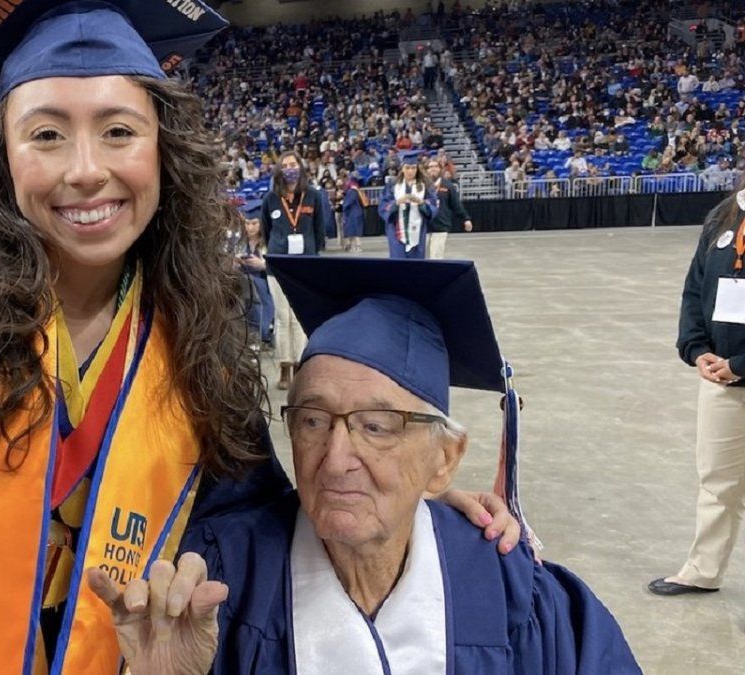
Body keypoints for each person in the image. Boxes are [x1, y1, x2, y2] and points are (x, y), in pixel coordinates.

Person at [0, 4, 515, 673]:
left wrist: (393, 494)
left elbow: (251, 527)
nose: (84, 170)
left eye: (118, 130)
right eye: (46, 133)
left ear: (163, 151)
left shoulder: (195, 331)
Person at [96, 256, 640, 673]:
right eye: (312, 421)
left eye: (377, 427)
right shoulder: (218, 582)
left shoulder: (512, 591)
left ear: (444, 460)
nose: (336, 460)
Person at [650, 181, 745, 596]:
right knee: (717, 479)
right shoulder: (724, 214)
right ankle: (702, 571)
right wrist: (696, 347)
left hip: (736, 368)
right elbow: (695, 286)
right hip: (722, 378)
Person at [260, 151, 330, 389]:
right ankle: (284, 366)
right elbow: (266, 230)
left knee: (299, 318)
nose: (289, 168)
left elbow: (320, 230)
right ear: (279, 170)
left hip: (304, 265)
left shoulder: (313, 196)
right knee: (282, 318)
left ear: (300, 167)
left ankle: (301, 365)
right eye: (285, 165)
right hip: (278, 265)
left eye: (293, 164)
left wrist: (313, 254)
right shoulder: (271, 198)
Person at [379, 154, 438, 259]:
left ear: (417, 169)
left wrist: (421, 203)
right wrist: (397, 203)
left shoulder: (425, 186)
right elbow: (384, 205)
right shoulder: (393, 186)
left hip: (417, 229)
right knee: (398, 262)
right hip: (396, 230)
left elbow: (432, 205)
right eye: (407, 168)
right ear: (402, 168)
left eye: (413, 168)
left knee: (416, 263)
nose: (410, 171)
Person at [234, 200, 273, 350]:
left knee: (254, 285)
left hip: (264, 284)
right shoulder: (238, 242)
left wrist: (263, 265)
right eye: (247, 223)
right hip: (242, 284)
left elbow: (277, 268)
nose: (250, 228)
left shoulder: (269, 242)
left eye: (254, 223)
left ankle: (262, 331)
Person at [426, 156, 473, 259]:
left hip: (440, 226)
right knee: (422, 259)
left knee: (436, 258)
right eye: (430, 167)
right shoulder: (422, 186)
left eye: (435, 166)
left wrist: (466, 219)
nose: (432, 169)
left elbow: (456, 205)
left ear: (440, 169)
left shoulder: (448, 186)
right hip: (424, 227)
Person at [339, 174, 367, 253]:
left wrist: (343, 205)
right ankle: (350, 246)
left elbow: (348, 203)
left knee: (353, 231)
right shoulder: (358, 190)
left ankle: (357, 246)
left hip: (352, 213)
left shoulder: (352, 191)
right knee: (354, 231)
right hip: (358, 212)